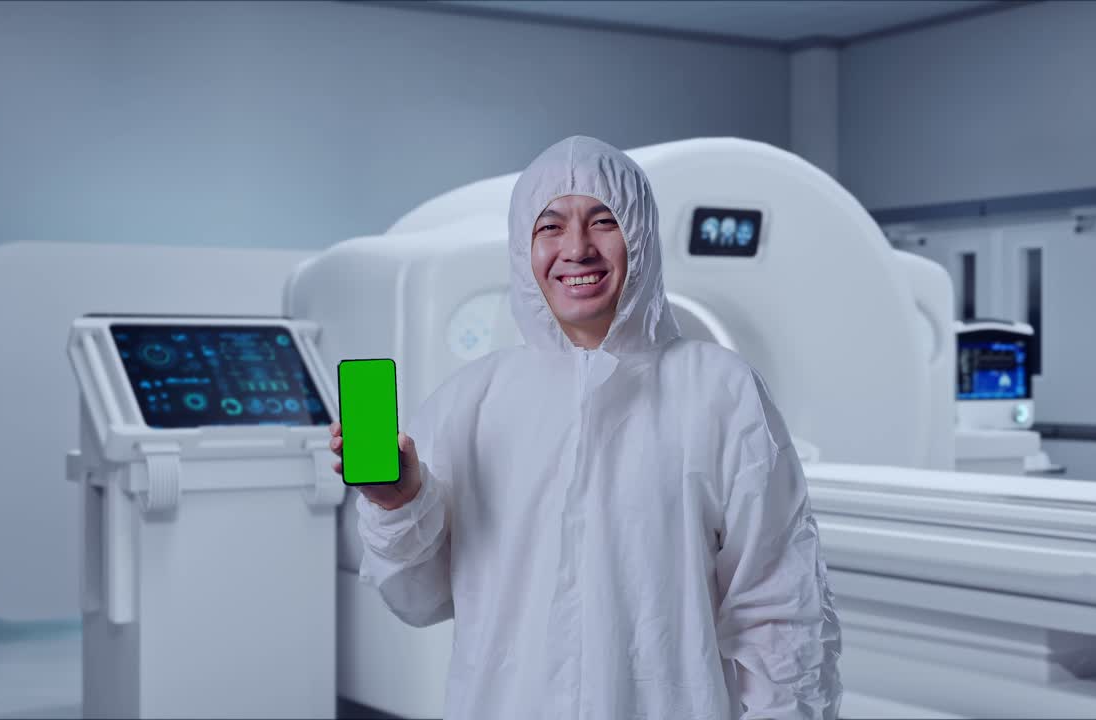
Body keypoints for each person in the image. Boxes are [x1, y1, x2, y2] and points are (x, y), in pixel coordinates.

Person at [329, 136, 842, 719]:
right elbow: (415, 598)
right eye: (550, 227)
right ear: (524, 247)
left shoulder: (720, 392)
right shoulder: (471, 401)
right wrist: (399, 503)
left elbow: (778, 601)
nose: (577, 248)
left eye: (603, 221)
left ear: (640, 236)